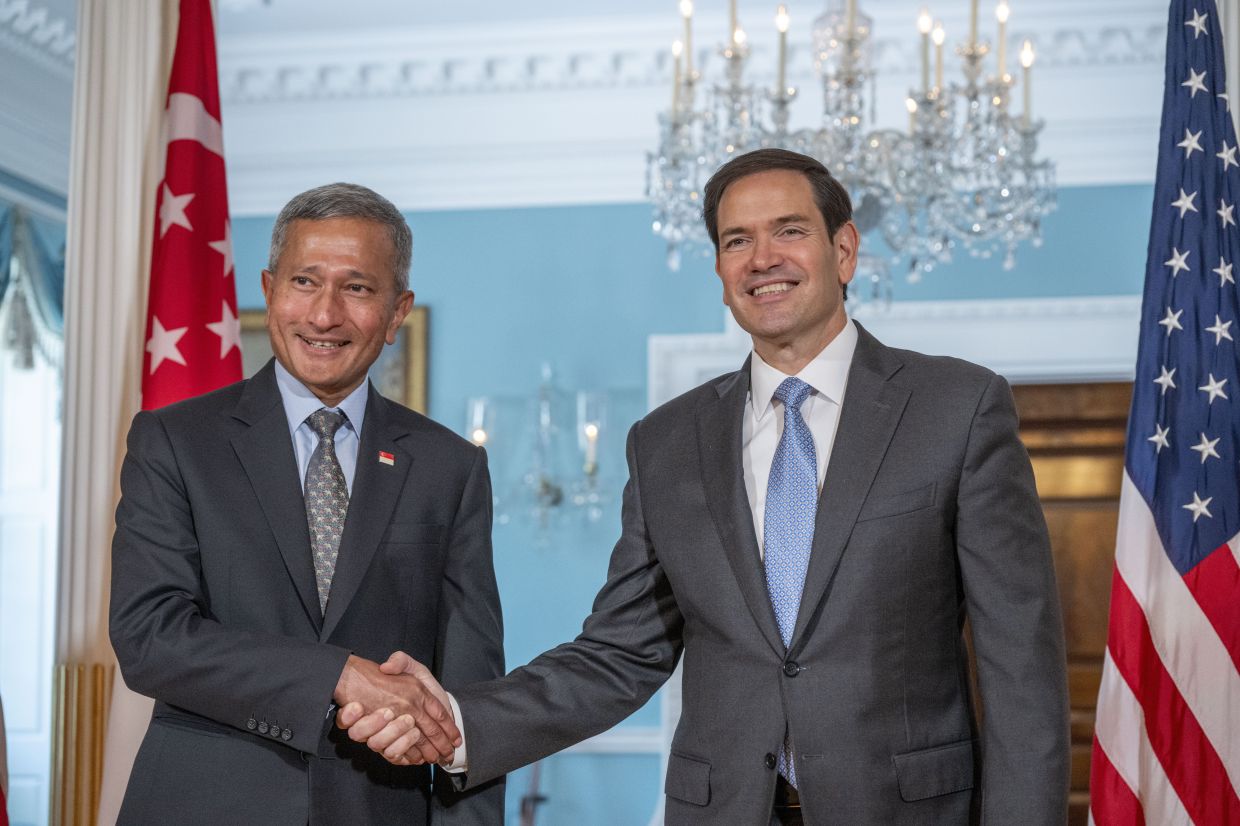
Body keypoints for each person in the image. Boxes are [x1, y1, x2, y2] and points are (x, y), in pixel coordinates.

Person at [344, 148, 1070, 824]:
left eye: (790, 231)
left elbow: (1020, 669)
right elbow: (621, 653)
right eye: (736, 241)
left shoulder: (957, 408)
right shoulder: (666, 442)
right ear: (720, 270)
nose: (763, 259)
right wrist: (458, 722)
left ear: (843, 249)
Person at [109, 183, 504, 825]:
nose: (324, 316)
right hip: (201, 805)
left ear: (397, 310)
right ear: (269, 291)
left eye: (357, 288)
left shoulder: (450, 467)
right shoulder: (175, 442)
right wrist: (339, 676)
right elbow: (149, 637)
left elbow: (469, 694)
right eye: (305, 282)